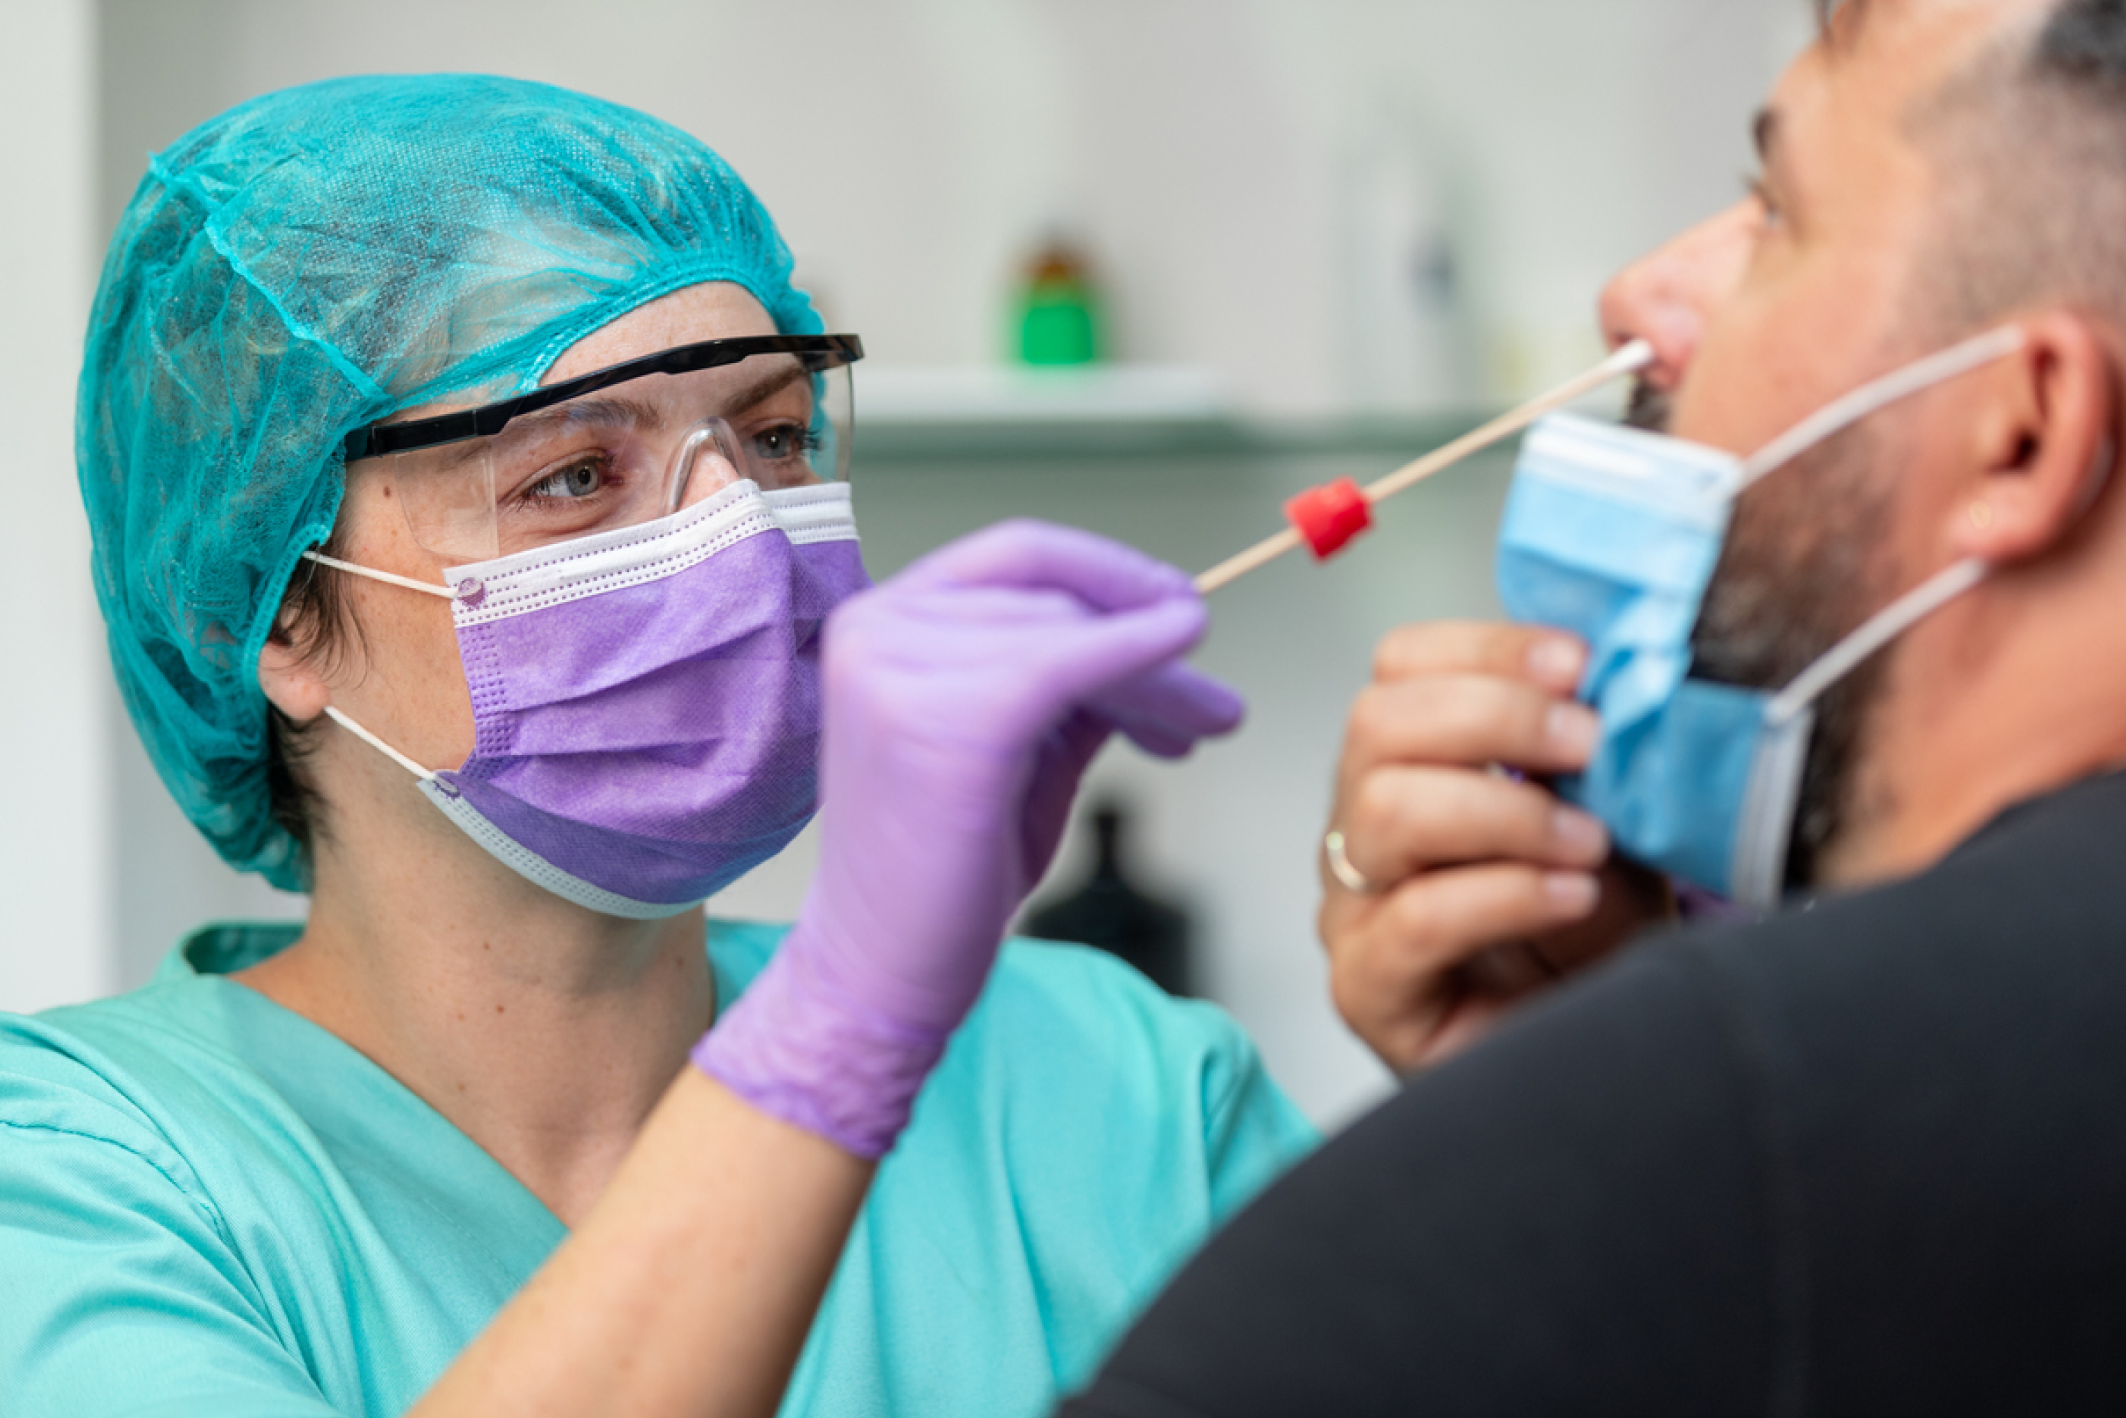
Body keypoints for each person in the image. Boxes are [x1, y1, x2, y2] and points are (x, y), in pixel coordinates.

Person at [0, 75, 1314, 1418]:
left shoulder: (1117, 1085)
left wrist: (1499, 1074)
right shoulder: (78, 1178)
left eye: (775, 435)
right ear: (275, 613)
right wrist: (836, 1036)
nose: (743, 542)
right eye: (572, 474)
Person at [1064, 0, 2126, 1411]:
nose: (1635, 293)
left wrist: (1588, 1136)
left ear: (2023, 429)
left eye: (1773, 211)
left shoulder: (1732, 1119)